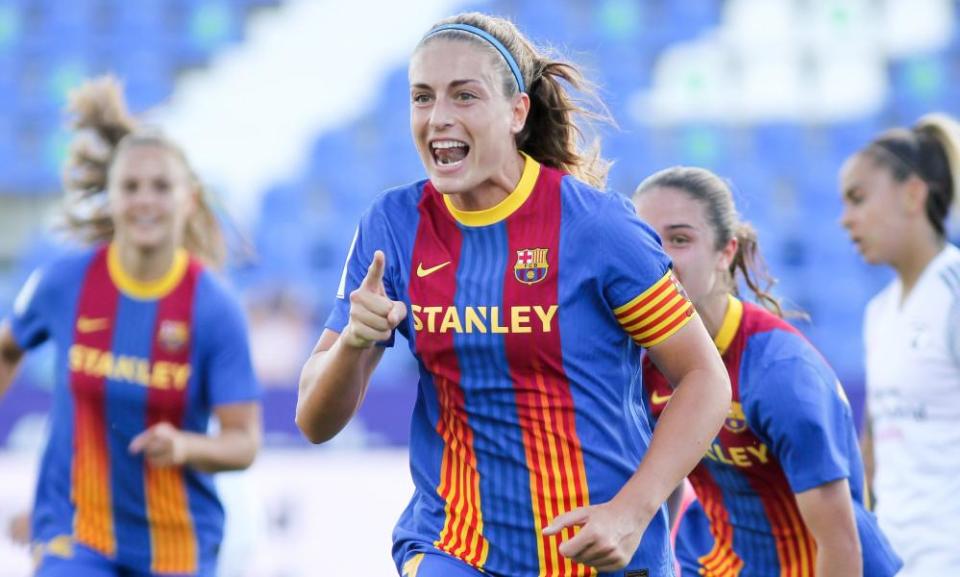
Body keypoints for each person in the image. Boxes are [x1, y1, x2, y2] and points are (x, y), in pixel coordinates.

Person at [296, 12, 731, 577]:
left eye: (464, 96)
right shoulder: (393, 226)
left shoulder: (597, 229)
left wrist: (630, 513)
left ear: (517, 112)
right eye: (422, 97)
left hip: (600, 553)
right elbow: (314, 420)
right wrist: (355, 340)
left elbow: (704, 379)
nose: (438, 118)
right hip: (456, 546)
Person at [0, 77, 262, 577]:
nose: (146, 200)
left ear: (189, 199)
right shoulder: (64, 283)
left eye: (161, 187)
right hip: (75, 531)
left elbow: (243, 442)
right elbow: (8, 348)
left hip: (177, 546)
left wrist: (186, 446)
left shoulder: (214, 309)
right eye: (131, 187)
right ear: (111, 198)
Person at [634, 166, 901, 577]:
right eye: (647, 240)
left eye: (680, 239)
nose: (661, 257)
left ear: (726, 251)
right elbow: (653, 497)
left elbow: (840, 543)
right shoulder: (643, 361)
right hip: (714, 562)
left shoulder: (781, 374)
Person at [839, 114, 960, 577]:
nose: (846, 218)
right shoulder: (879, 313)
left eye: (858, 198)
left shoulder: (951, 294)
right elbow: (873, 448)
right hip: (899, 561)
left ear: (913, 193)